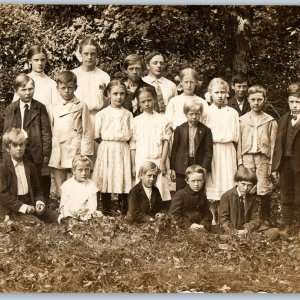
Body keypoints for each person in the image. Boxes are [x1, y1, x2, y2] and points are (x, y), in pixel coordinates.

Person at [4, 74, 52, 201]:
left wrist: (46, 153)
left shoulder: (40, 107)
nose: (27, 93)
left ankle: (41, 202)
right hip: (17, 148)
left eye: (30, 89)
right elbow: (7, 133)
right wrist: (6, 153)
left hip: (35, 150)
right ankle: (18, 202)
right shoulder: (11, 109)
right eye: (23, 90)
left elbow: (46, 132)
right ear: (16, 91)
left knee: (38, 176)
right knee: (18, 175)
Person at [48, 71, 94, 199]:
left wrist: (84, 152)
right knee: (60, 182)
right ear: (57, 88)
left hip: (75, 148)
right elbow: (50, 129)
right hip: (59, 148)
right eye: (63, 88)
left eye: (70, 88)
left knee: (77, 179)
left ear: (75, 87)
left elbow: (87, 131)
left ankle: (78, 204)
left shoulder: (81, 105)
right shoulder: (53, 107)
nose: (67, 91)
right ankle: (62, 203)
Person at [92, 80, 133, 216]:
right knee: (106, 175)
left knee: (123, 175)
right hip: (107, 148)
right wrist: (107, 145)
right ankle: (106, 208)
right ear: (108, 94)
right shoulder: (102, 114)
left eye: (122, 94)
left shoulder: (128, 114)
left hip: (123, 148)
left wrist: (120, 143)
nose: (119, 97)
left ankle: (124, 207)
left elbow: (132, 134)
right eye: (115, 93)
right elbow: (96, 135)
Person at [237, 85, 278, 224]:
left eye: (259, 99)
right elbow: (239, 143)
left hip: (263, 158)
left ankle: (265, 218)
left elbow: (273, 145)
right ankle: (247, 218)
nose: (256, 102)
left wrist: (272, 163)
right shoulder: (242, 120)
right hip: (247, 157)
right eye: (253, 99)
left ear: (264, 100)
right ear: (248, 99)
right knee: (248, 186)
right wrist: (240, 162)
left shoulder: (270, 120)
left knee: (263, 187)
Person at [0, 128, 57, 223]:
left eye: (21, 144)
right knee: (36, 223)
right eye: (15, 145)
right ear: (8, 148)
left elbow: (37, 189)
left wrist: (39, 202)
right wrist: (23, 207)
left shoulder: (30, 166)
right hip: (14, 207)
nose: (19, 148)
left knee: (57, 217)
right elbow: (2, 195)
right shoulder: (3, 168)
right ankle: (12, 219)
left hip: (31, 203)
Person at [204, 78, 239, 225]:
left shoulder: (232, 112)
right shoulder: (205, 112)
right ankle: (212, 217)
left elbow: (238, 137)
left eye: (223, 92)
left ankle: (226, 218)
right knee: (213, 181)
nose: (220, 95)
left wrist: (240, 159)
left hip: (228, 151)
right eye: (216, 92)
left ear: (227, 94)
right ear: (210, 93)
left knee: (228, 180)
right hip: (213, 151)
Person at [130, 86, 172, 204]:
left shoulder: (162, 119)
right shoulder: (136, 121)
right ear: (139, 103)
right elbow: (133, 144)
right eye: (143, 102)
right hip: (142, 159)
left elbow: (166, 142)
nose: (147, 104)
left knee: (159, 185)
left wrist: (163, 162)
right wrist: (133, 165)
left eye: (149, 100)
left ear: (154, 99)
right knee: (143, 186)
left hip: (158, 158)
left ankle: (159, 211)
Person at [272, 82, 300, 228]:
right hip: (285, 164)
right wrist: (276, 166)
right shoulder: (284, 119)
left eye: (298, 102)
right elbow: (278, 145)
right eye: (291, 102)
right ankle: (288, 225)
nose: (294, 105)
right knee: (286, 194)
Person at [170, 98, 213, 191]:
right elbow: (174, 150)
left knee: (198, 190)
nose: (194, 117)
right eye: (191, 114)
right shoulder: (179, 129)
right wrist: (172, 168)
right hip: (181, 166)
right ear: (186, 114)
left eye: (197, 114)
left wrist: (204, 168)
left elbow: (208, 152)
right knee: (181, 191)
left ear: (201, 114)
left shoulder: (206, 130)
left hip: (198, 165)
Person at [72, 37, 110, 123]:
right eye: (86, 53)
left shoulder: (104, 76)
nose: (89, 57)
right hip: (77, 118)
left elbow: (108, 102)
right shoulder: (73, 75)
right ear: (81, 54)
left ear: (97, 55)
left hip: (98, 118)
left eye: (93, 54)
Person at [13, 44, 60, 112]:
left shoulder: (52, 84)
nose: (40, 63)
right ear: (30, 61)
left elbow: (56, 110)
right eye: (36, 60)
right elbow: (15, 108)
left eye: (42, 60)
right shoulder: (23, 81)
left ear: (46, 60)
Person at [169, 165, 212, 230]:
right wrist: (189, 225)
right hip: (183, 228)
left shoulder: (202, 196)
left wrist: (203, 225)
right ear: (187, 181)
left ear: (203, 180)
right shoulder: (180, 195)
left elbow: (207, 215)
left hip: (200, 228)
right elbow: (173, 215)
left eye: (199, 180)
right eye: (193, 181)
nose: (196, 184)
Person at [58, 155, 99, 223]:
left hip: (85, 212)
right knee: (64, 216)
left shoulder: (91, 185)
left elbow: (93, 204)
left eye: (86, 170)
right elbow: (63, 204)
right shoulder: (67, 185)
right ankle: (72, 220)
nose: (84, 173)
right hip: (71, 212)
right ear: (73, 171)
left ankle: (85, 221)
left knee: (93, 215)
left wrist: (87, 209)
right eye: (80, 170)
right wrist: (71, 211)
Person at [219, 167, 260, 235]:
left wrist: (247, 229)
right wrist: (233, 232)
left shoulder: (252, 198)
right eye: (243, 184)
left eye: (249, 185)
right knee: (225, 237)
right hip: (231, 230)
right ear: (236, 182)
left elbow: (255, 218)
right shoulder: (227, 196)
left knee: (273, 232)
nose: (246, 188)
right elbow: (223, 219)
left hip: (245, 231)